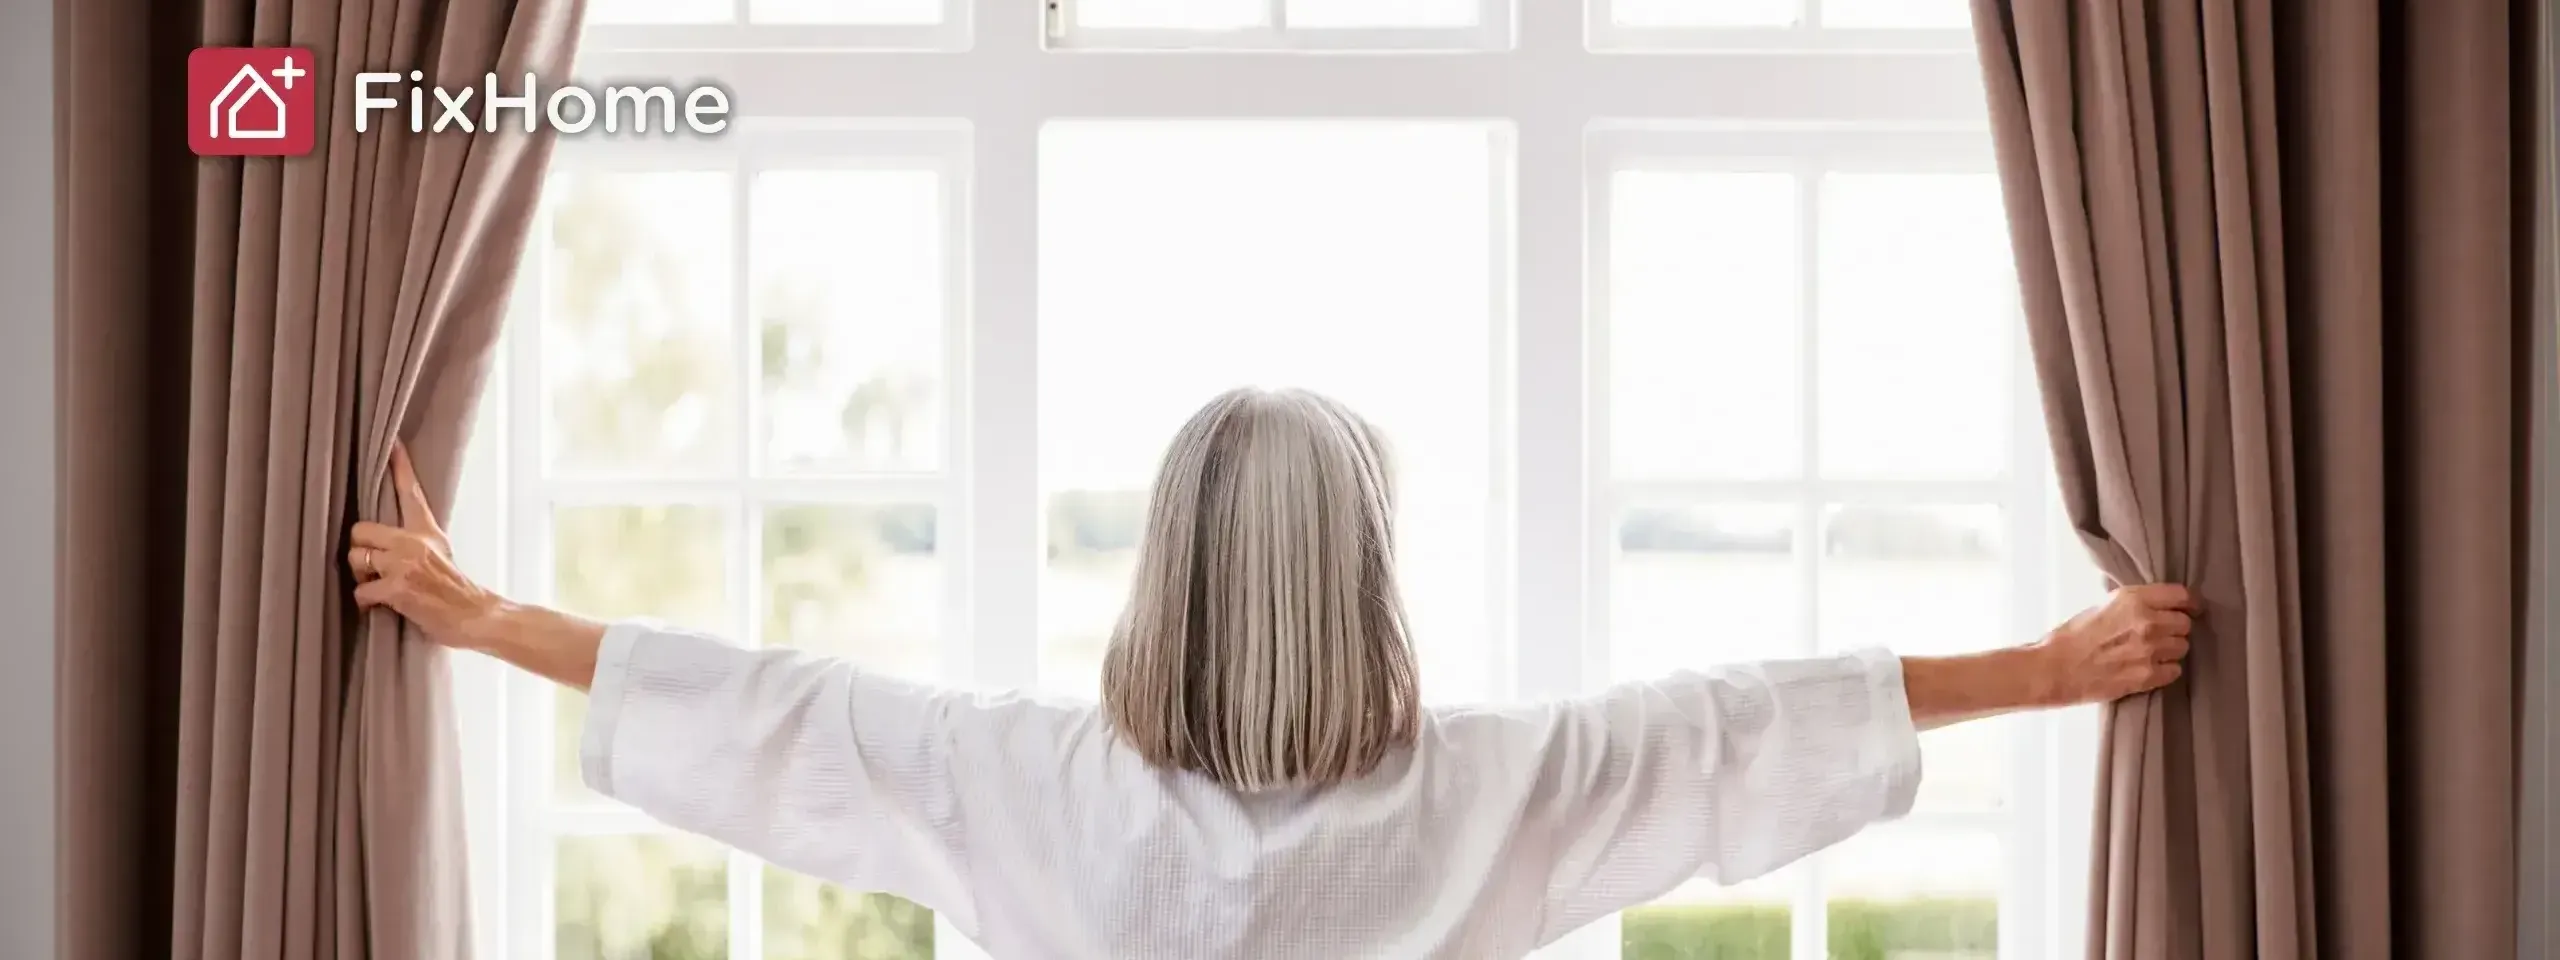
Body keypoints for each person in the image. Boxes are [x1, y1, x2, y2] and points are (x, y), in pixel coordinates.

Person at [348, 387, 2192, 960]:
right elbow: (1737, 728)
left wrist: (484, 609)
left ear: (1165, 577)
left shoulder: (1039, 780)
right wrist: (2048, 667)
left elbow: (770, 705)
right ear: (1366, 588)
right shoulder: (1483, 787)